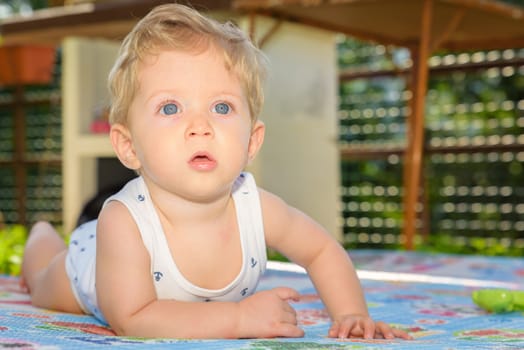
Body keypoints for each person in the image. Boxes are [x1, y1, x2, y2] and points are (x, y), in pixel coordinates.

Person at [21, 3, 411, 340]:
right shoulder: (122, 221)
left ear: (251, 141)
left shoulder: (256, 208)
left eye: (221, 108)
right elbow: (132, 318)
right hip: (91, 268)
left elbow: (322, 250)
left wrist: (351, 314)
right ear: (128, 146)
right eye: (170, 108)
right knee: (41, 283)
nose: (200, 125)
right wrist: (238, 317)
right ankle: (41, 235)